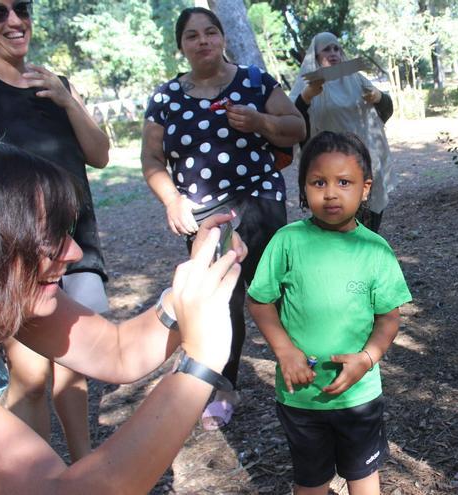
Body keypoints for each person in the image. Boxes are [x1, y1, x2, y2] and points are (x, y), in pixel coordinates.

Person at [0, 137, 246, 493]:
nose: (75, 252)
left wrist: (186, 292)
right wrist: (199, 364)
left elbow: (118, 351)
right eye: (48, 240)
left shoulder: (5, 287)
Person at [0, 0, 111, 461]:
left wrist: (67, 100)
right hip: (15, 256)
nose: (14, 21)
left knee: (74, 366)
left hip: (75, 244)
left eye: (21, 9)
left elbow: (100, 154)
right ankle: (33, 477)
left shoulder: (56, 84)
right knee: (29, 376)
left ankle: (84, 470)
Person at [141, 7, 305, 430]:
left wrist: (259, 121)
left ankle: (302, 367)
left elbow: (295, 127)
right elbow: (152, 159)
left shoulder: (254, 81)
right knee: (219, 301)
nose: (203, 41)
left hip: (260, 198)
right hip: (204, 213)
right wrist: (173, 201)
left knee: (276, 287)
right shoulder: (165, 99)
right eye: (192, 35)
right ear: (181, 46)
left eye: (210, 32)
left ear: (222, 38)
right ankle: (223, 386)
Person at [247, 131, 412, 495]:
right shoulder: (288, 241)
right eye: (319, 182)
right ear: (303, 188)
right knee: (310, 480)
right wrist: (285, 351)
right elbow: (259, 301)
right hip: (301, 396)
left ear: (365, 188)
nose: (331, 192)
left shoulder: (376, 251)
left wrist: (367, 359)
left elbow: (388, 317)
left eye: (344, 182)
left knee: (363, 476)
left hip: (359, 395)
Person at [289, 32, 394, 233]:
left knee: (368, 219)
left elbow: (385, 111)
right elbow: (294, 122)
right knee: (337, 218)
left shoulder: (356, 79)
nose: (333, 53)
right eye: (327, 49)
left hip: (365, 160)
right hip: (330, 167)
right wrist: (307, 96)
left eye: (337, 48)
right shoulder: (307, 85)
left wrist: (379, 97)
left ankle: (367, 256)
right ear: (316, 56)